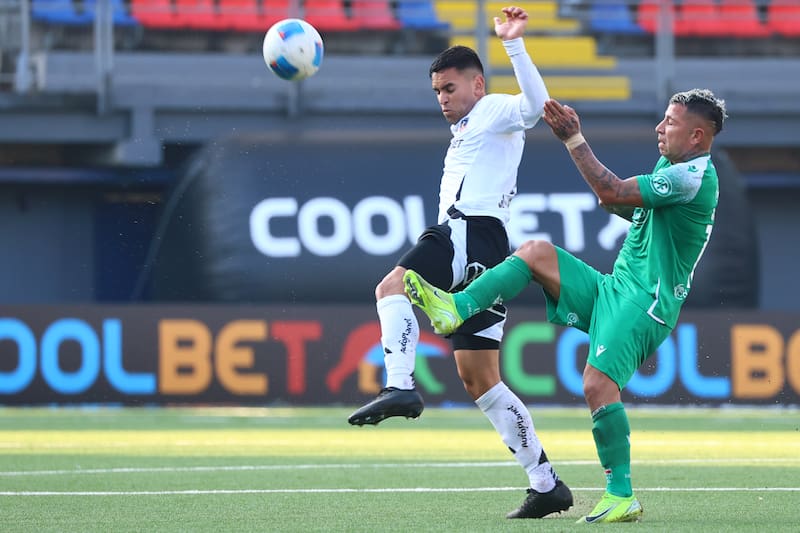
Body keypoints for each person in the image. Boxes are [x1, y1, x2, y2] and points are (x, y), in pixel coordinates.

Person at [404, 88, 727, 524]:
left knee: (597, 384)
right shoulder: (671, 167)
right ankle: (456, 308)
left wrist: (574, 139)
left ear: (697, 136)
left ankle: (621, 494)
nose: (659, 127)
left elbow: (612, 191)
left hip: (645, 303)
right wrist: (614, 194)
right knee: (535, 253)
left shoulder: (693, 176)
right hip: (616, 287)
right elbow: (619, 203)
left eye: (670, 122)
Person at [347, 5, 574, 520]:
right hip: (488, 245)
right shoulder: (476, 126)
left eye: (449, 88)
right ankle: (546, 485)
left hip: (465, 232)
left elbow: (534, 106)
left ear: (477, 84)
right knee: (480, 378)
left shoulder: (491, 110)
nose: (442, 99)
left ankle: (400, 385)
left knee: (391, 288)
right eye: (437, 92)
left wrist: (513, 44)